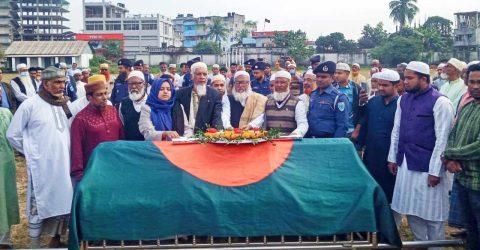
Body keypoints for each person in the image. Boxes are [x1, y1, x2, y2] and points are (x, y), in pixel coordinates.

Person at [387, 61, 454, 245]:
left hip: (428, 167)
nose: (405, 82)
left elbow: (443, 139)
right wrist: (392, 157)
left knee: (432, 214)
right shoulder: (403, 99)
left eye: (409, 78)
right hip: (405, 163)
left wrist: (435, 171)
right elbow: (397, 130)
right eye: (404, 77)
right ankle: (419, 243)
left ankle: (436, 246)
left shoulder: (440, 102)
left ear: (423, 79)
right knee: (411, 209)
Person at [7, 66, 73, 248]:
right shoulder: (30, 104)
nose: (62, 86)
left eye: (63, 82)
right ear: (45, 84)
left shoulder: (65, 104)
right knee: (40, 204)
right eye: (57, 82)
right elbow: (13, 135)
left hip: (65, 164)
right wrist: (32, 153)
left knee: (64, 202)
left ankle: (57, 240)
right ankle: (35, 244)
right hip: (42, 167)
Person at [443, 63, 480, 250]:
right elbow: (453, 134)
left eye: (479, 82)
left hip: (478, 183)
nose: (474, 86)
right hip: (464, 179)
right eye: (471, 82)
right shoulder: (468, 106)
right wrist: (449, 159)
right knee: (471, 231)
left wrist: (450, 153)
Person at [356, 69, 400, 203]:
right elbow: (364, 124)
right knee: (372, 188)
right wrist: (359, 146)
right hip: (371, 154)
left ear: (396, 86)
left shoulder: (401, 104)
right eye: (379, 84)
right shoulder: (373, 102)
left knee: (390, 191)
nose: (380, 88)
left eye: (385, 85)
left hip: (390, 157)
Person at [70, 75, 124, 183]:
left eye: (105, 93)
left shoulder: (113, 111)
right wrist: (80, 175)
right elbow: (77, 149)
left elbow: (122, 137)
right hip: (94, 170)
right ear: (89, 97)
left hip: (116, 165)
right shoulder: (81, 119)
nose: (104, 97)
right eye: (99, 95)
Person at [176, 62, 223, 132]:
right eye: (198, 74)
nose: (202, 77)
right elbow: (178, 118)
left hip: (206, 136)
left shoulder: (215, 95)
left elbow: (217, 118)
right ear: (191, 76)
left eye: (205, 74)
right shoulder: (180, 94)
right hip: (184, 135)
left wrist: (217, 133)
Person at [306, 61, 349, 138]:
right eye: (318, 76)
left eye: (323, 77)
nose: (319, 79)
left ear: (332, 78)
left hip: (328, 140)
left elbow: (342, 125)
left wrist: (334, 144)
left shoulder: (339, 98)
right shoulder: (313, 95)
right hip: (311, 140)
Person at [265, 70, 308, 137]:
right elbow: (260, 120)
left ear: (290, 85)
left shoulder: (298, 103)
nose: (279, 85)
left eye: (282, 82)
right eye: (276, 82)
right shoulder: (267, 101)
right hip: (270, 142)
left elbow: (303, 124)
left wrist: (294, 135)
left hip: (288, 143)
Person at [0, 108, 19, 249]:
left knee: (4, 199)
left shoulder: (6, 113)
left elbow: (14, 136)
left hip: (5, 164)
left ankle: (4, 240)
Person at [333, 63, 367, 140]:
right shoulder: (332, 88)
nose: (336, 75)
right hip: (335, 129)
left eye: (339, 73)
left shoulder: (356, 88)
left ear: (347, 74)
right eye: (335, 73)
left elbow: (363, 112)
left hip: (351, 130)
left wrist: (357, 130)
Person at [119, 71, 148, 141]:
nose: (133, 86)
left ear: (144, 84)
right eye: (130, 84)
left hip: (148, 146)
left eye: (137, 83)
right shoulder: (123, 103)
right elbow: (122, 123)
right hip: (130, 146)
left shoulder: (152, 103)